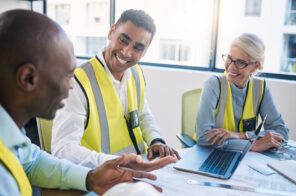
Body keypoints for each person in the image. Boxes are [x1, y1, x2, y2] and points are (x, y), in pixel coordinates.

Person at [0, 9, 177, 195]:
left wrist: (91, 178)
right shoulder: (3, 178)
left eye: (138, 47)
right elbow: (62, 150)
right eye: (65, 75)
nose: (70, 86)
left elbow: (31, 161)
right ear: (28, 78)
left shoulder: (12, 135)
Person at [51, 9, 180, 168]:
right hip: (99, 175)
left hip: (138, 168)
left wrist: (156, 140)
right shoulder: (78, 81)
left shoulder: (135, 73)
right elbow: (63, 149)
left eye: (137, 48)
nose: (126, 52)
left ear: (145, 51)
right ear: (111, 32)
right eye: (123, 40)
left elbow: (143, 115)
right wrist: (117, 162)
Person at [196, 33, 289, 152]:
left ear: (255, 67)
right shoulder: (213, 84)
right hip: (210, 154)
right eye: (229, 58)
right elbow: (203, 138)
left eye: (240, 62)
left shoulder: (260, 88)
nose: (231, 67)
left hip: (245, 157)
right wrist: (252, 145)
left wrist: (241, 135)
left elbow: (282, 132)